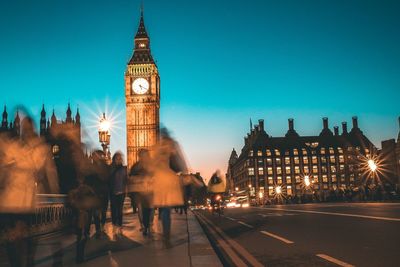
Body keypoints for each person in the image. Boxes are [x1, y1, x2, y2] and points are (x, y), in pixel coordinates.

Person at [0, 116, 59, 267]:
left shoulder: (39, 150)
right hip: (10, 204)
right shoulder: (12, 146)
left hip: (26, 204)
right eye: (24, 128)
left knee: (26, 243)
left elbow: (50, 174)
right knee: (13, 244)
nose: (26, 131)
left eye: (29, 128)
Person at [152, 129, 188, 247]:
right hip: (170, 179)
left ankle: (165, 234)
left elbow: (152, 164)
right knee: (167, 209)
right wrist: (185, 173)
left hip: (160, 180)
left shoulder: (157, 147)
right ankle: (166, 236)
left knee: (164, 210)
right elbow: (181, 161)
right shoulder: (173, 144)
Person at [85, 150, 110, 238]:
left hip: (102, 193)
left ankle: (99, 227)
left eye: (95, 155)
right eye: (93, 156)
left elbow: (107, 179)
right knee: (92, 213)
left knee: (100, 212)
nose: (94, 157)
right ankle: (93, 230)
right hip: (93, 193)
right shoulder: (90, 167)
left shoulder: (105, 167)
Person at [129, 149, 154, 236]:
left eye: (145, 155)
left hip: (150, 191)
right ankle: (144, 226)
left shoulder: (151, 166)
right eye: (142, 155)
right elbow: (131, 178)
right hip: (139, 191)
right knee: (141, 209)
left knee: (150, 209)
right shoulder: (136, 166)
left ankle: (149, 225)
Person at [109, 152, 128, 238]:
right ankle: (114, 225)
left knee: (119, 210)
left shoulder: (124, 169)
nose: (119, 160)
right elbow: (108, 180)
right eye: (117, 158)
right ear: (114, 159)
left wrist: (126, 190)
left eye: (120, 158)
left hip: (121, 192)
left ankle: (119, 226)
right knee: (114, 210)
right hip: (113, 192)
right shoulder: (111, 168)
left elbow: (126, 180)